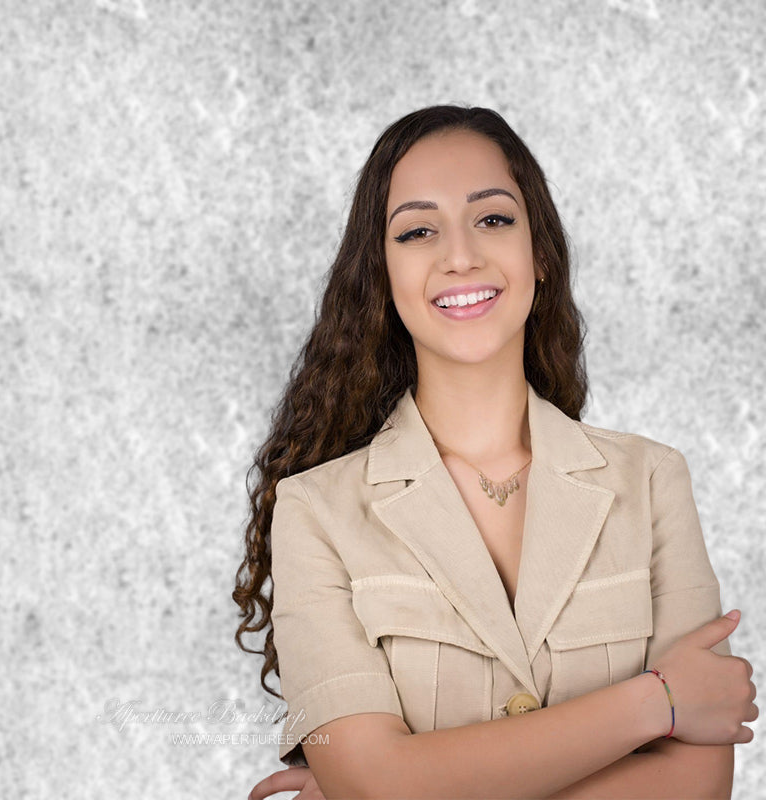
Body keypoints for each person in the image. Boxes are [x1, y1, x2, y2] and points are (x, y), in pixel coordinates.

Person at [234, 105, 758, 799]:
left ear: (538, 251)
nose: (460, 255)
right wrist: (656, 702)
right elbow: (375, 784)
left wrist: (403, 785)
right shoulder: (315, 512)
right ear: (382, 277)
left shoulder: (653, 481)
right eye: (418, 231)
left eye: (493, 219)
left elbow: (696, 787)